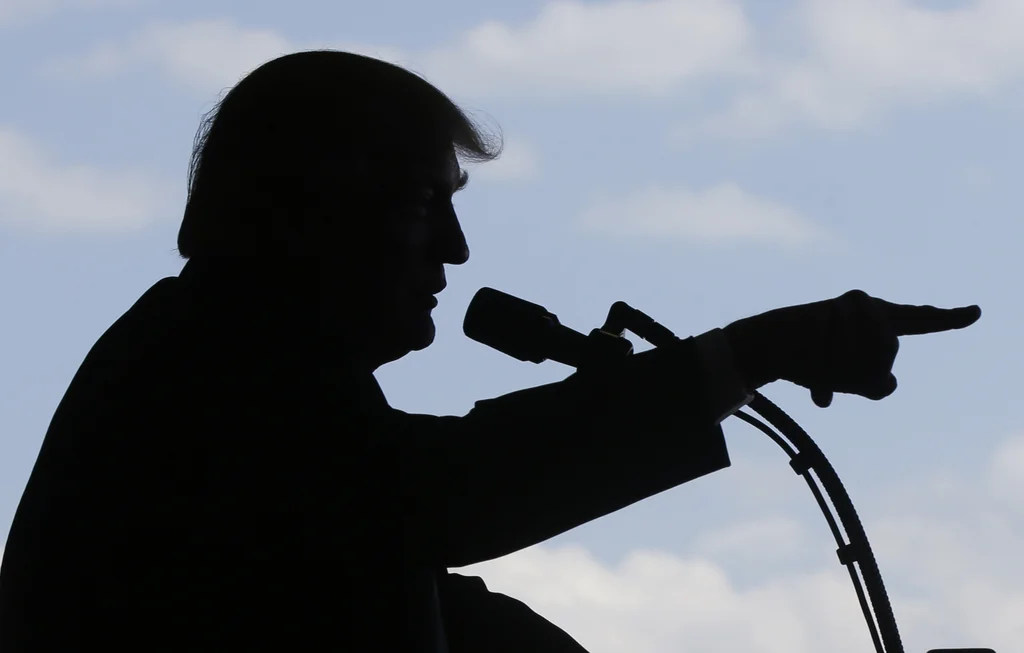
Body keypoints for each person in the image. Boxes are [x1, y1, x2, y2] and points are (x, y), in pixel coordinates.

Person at [0, 50, 981, 652]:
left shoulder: (215, 359)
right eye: (429, 204)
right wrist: (757, 348)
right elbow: (431, 493)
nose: (456, 252)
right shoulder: (211, 368)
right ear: (316, 206)